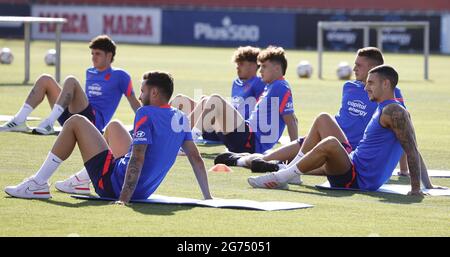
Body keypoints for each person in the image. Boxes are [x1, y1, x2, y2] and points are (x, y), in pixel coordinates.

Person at [4, 71, 212, 204]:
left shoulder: (145, 113)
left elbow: (138, 157)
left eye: (143, 91)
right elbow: (196, 159)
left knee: (76, 121)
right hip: (143, 191)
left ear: (155, 93)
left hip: (113, 185)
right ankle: (80, 181)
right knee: (114, 127)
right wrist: (208, 198)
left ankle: (38, 183)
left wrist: (123, 199)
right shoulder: (182, 117)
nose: (139, 97)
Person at [247, 65, 445, 196]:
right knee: (324, 118)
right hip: (351, 163)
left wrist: (417, 189)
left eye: (370, 83)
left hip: (355, 179)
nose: (366, 87)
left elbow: (411, 149)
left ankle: (282, 176)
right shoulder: (383, 107)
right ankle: (292, 171)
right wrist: (428, 185)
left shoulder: (394, 111)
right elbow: (413, 149)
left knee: (331, 143)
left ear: (386, 84)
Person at [215, 47, 409, 178]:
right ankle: (239, 159)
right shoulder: (349, 87)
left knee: (299, 165)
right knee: (266, 159)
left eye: (359, 65)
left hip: (345, 152)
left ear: (374, 69)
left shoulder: (390, 94)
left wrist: (404, 170)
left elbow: (401, 131)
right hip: (325, 137)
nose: (354, 68)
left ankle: (280, 168)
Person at [0, 35, 140, 135]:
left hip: (93, 123)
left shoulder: (121, 76)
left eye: (98, 54)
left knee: (71, 80)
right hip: (74, 115)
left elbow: (134, 102)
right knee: (45, 79)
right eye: (92, 53)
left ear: (109, 56)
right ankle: (19, 121)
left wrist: (145, 122)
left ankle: (49, 122)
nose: (93, 57)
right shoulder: (89, 72)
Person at [189, 46, 298, 154]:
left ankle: (188, 141)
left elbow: (291, 120)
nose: (260, 71)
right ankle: (181, 137)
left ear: (277, 68)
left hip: (251, 141)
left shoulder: (280, 86)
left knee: (215, 100)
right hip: (245, 137)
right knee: (206, 101)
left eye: (264, 66)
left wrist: (295, 151)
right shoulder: (270, 86)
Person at [170, 46, 266, 142]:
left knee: (208, 102)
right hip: (220, 126)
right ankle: (168, 133)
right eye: (237, 64)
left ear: (253, 65)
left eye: (241, 64)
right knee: (180, 100)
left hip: (238, 131)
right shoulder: (236, 83)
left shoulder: (259, 83)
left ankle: (184, 139)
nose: (237, 67)